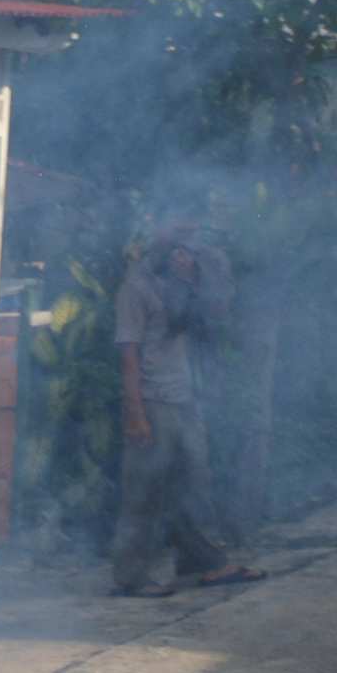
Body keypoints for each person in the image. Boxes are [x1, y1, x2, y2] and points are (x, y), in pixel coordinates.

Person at [110, 217, 264, 598]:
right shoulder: (135, 290)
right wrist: (135, 414)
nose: (180, 250)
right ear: (153, 247)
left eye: (186, 243)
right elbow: (128, 355)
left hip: (185, 400)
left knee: (196, 486)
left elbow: (214, 318)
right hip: (153, 402)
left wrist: (194, 281)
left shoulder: (181, 287)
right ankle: (131, 576)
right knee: (143, 492)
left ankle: (206, 563)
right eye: (173, 243)